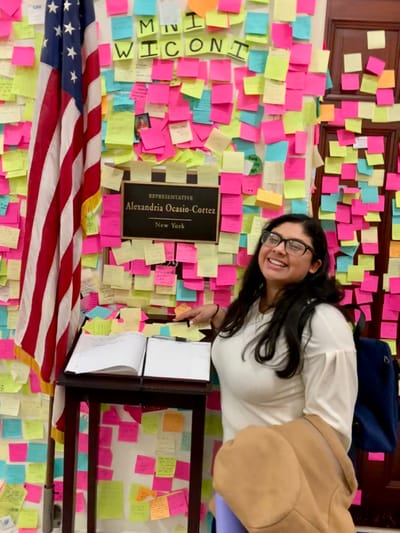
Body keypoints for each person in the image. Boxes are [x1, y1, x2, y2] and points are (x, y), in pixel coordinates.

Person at [175, 213, 358, 450]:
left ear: (315, 265)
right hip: (237, 474)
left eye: (295, 246)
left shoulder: (323, 324)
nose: (279, 249)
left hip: (282, 480)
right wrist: (220, 314)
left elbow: (331, 433)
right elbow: (249, 346)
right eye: (273, 239)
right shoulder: (252, 306)